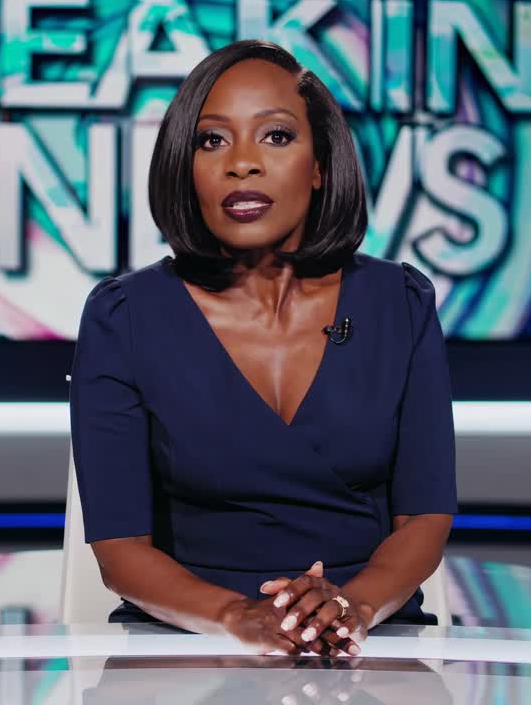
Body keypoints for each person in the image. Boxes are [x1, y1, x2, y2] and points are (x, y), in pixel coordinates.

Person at [69, 40, 457, 656]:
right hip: (187, 644)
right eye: (212, 141)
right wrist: (238, 617)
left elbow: (425, 519)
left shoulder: (400, 303)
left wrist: (352, 607)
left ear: (320, 164)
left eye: (275, 136)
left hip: (371, 639)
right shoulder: (124, 316)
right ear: (184, 167)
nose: (242, 164)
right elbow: (120, 552)